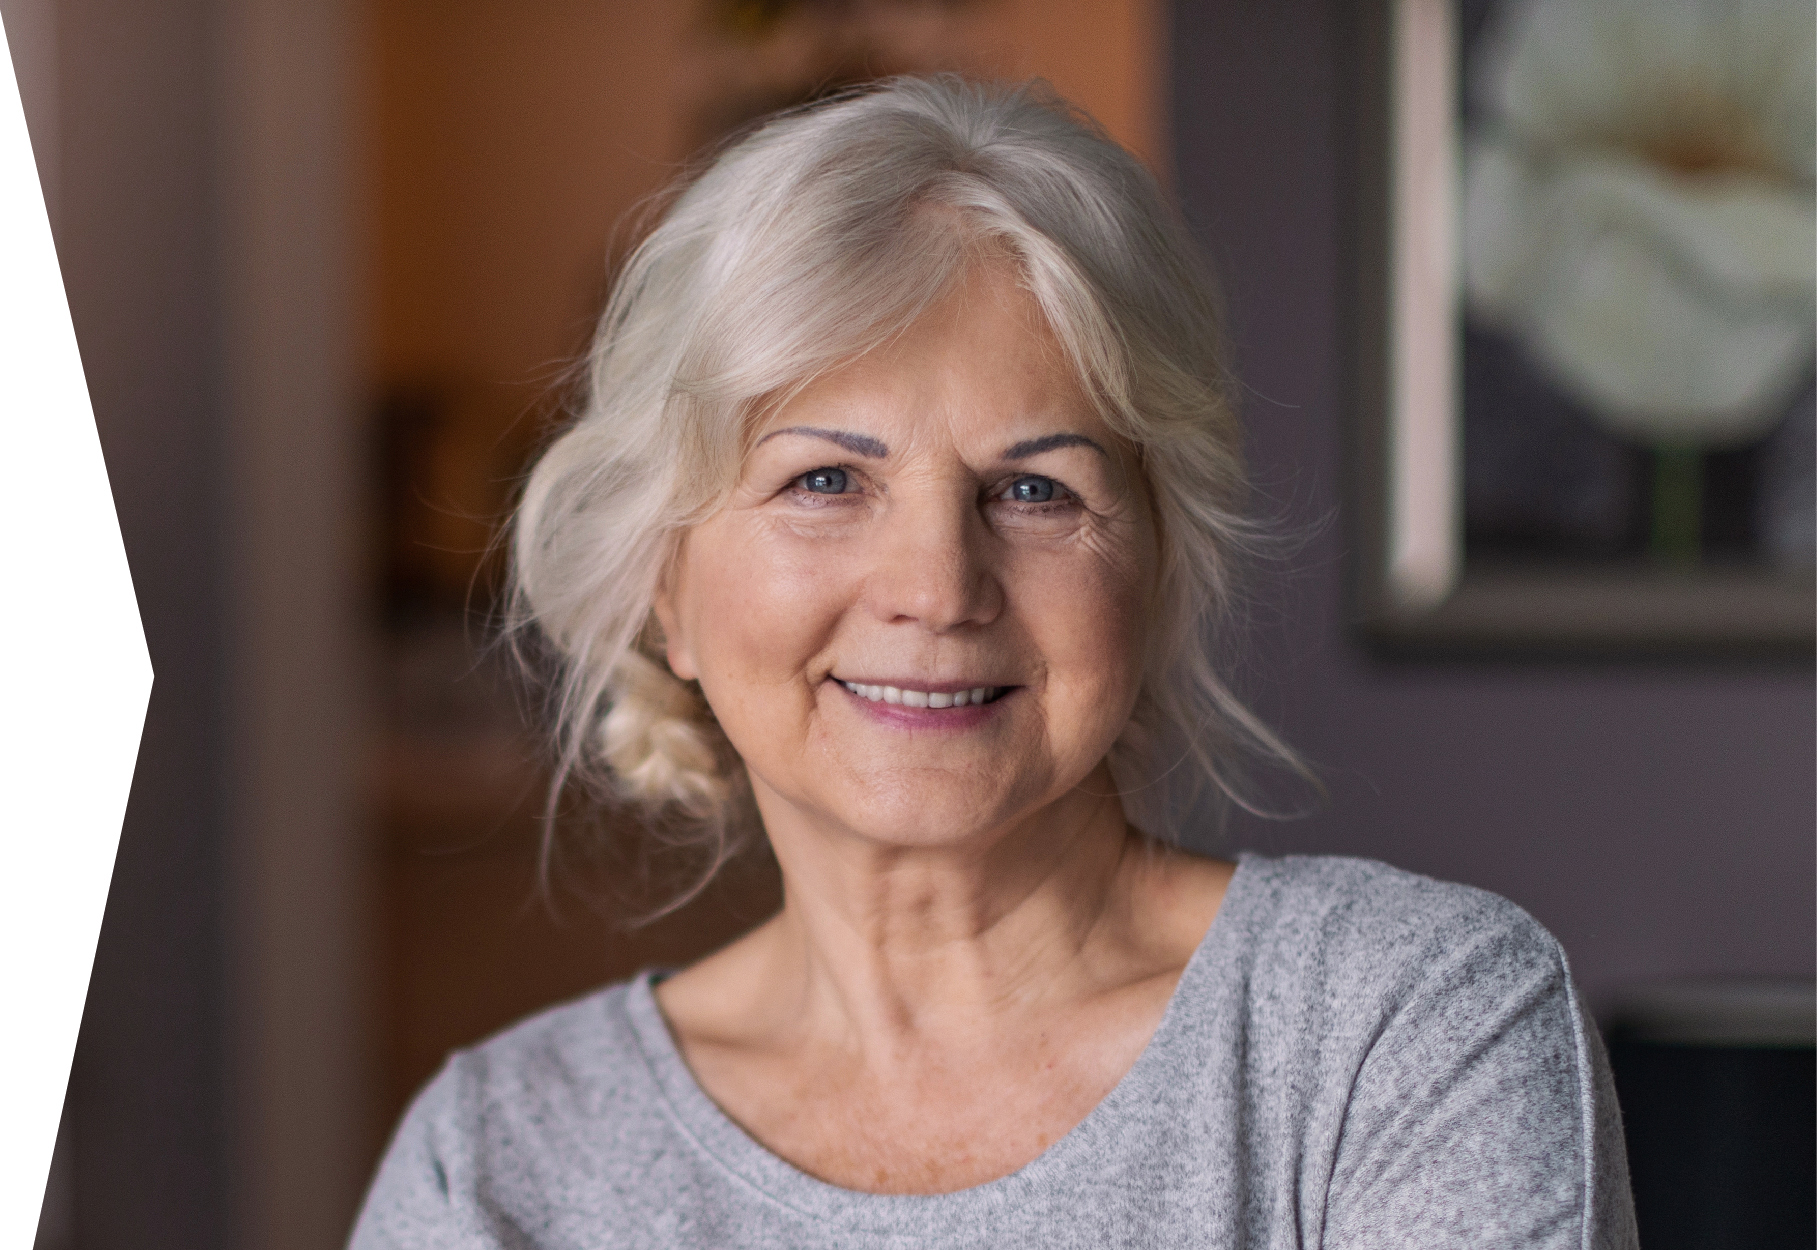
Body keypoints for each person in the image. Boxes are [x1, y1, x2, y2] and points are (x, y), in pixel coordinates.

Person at [350, 76, 1637, 1249]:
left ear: (1155, 565)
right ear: (664, 587)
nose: (935, 587)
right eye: (823, 479)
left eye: (1032, 487)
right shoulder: (499, 1159)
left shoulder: (1402, 1029)